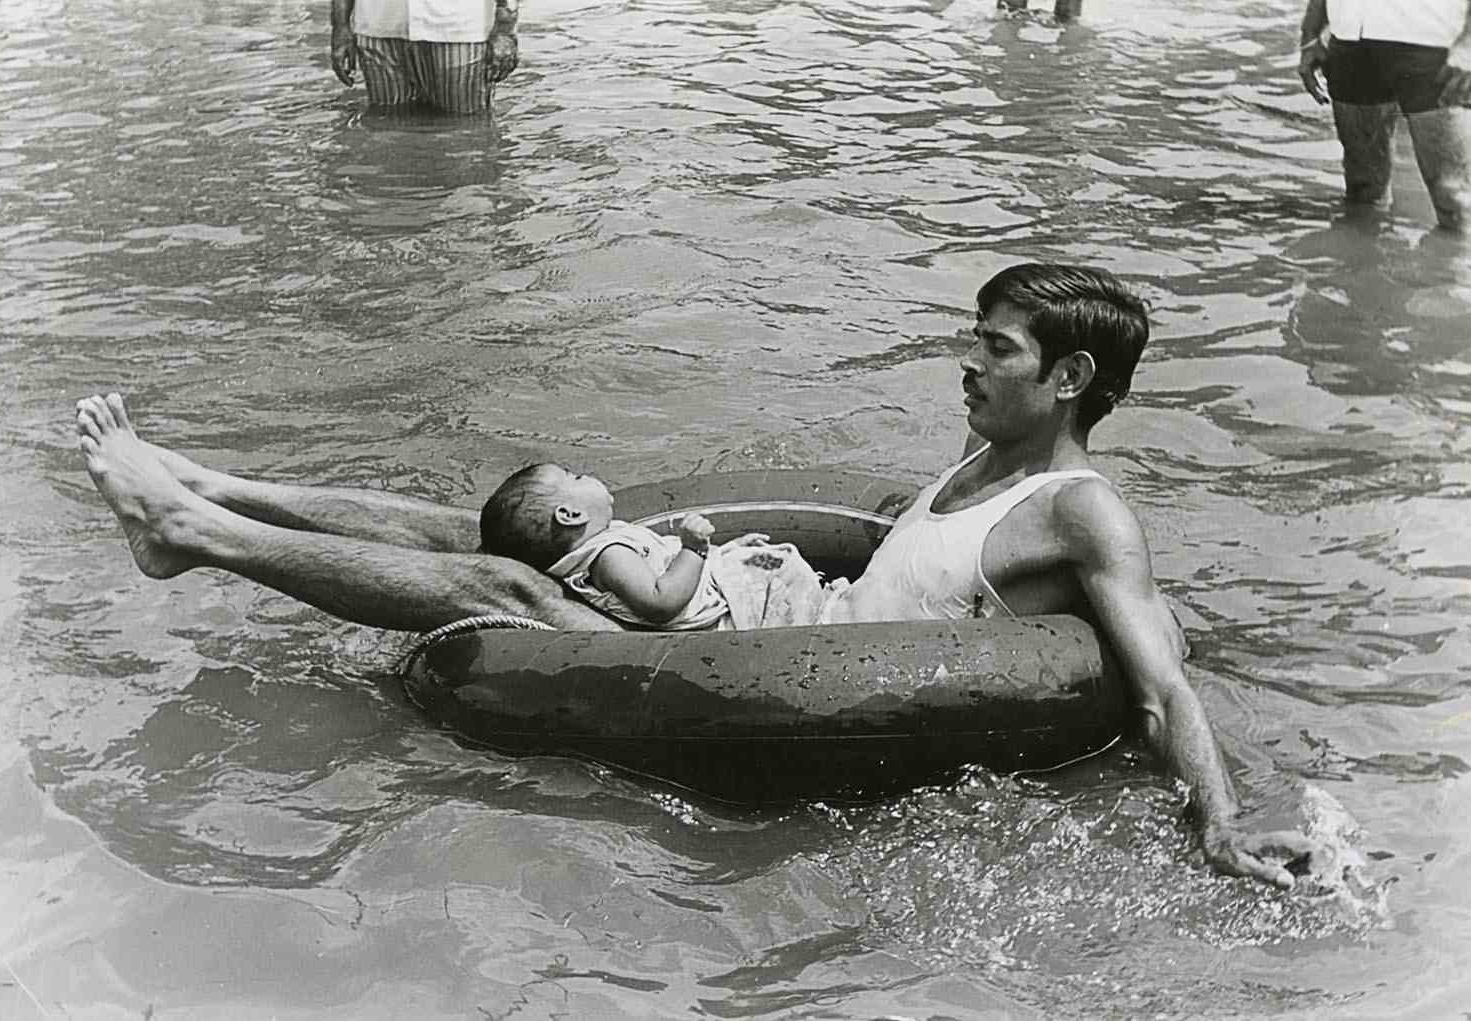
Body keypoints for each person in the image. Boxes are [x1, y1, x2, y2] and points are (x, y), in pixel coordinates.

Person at [74, 262, 1316, 887]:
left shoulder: (1085, 511)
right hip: (789, 609)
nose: (965, 365)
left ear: (1071, 382)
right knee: (502, 527)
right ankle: (216, 482)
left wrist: (1214, 811)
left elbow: (1154, 681)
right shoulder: (981, 452)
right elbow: (893, 553)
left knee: (516, 596)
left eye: (992, 350)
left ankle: (193, 539)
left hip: (776, 672)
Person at [478, 463, 800, 630]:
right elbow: (662, 603)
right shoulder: (609, 557)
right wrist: (696, 548)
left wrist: (722, 553)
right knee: (790, 573)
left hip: (701, 585)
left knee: (769, 561)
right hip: (713, 614)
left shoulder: (600, 546)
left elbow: (664, 563)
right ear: (571, 515)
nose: (586, 475)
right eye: (575, 477)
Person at [1297, 0, 1471, 230]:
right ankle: (1366, 263)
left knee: (1453, 197)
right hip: (1351, 40)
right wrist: (1310, 33)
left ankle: (1454, 263)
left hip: (1433, 44)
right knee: (1364, 192)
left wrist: (1468, 47)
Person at [329, 0, 520, 114]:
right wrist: (340, 26)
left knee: (466, 131)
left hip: (459, 29)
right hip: (378, 25)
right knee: (386, 127)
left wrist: (505, 29)